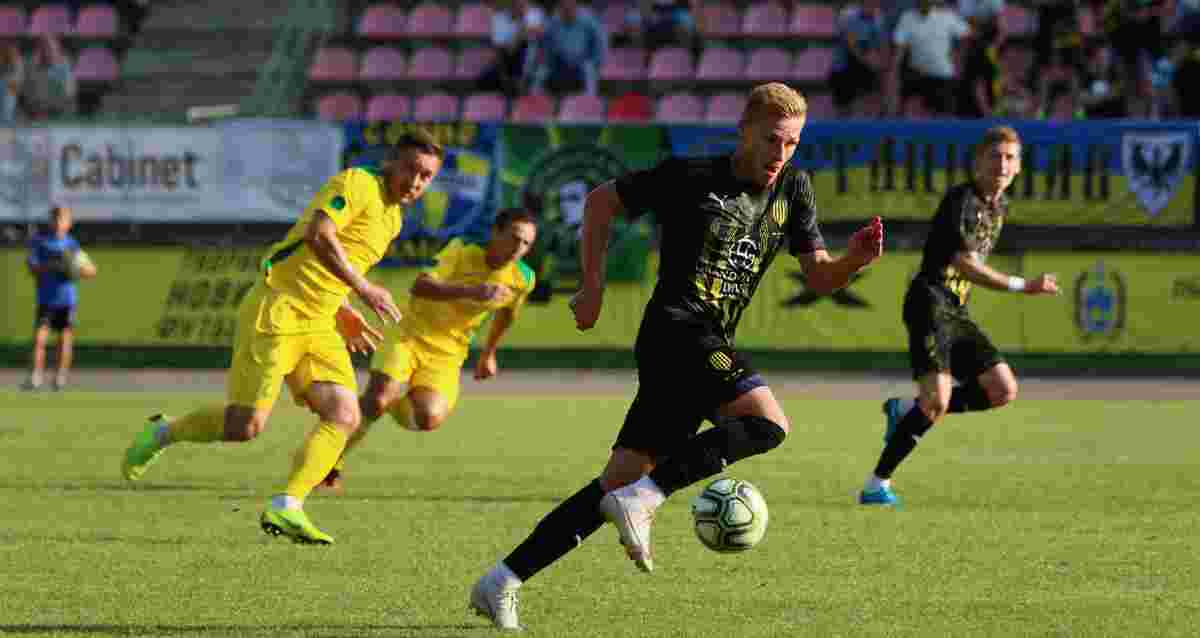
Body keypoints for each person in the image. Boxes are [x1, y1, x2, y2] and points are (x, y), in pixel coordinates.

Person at [468, 82, 884, 631]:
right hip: (677, 329)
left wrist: (854, 261)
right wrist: (591, 287)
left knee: (616, 481)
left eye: (792, 143)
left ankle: (502, 580)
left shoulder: (793, 189)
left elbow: (820, 276)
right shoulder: (691, 175)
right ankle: (648, 497)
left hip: (705, 342)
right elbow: (600, 202)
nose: (780, 154)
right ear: (744, 131)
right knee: (767, 423)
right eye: (771, 140)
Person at [120, 131, 445, 545]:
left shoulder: (393, 218)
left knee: (345, 415)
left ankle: (288, 504)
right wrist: (363, 289)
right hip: (278, 308)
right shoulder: (357, 183)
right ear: (391, 162)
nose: (416, 181)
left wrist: (343, 307)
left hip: (320, 322)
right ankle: (164, 432)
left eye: (426, 176)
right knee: (245, 426)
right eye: (410, 169)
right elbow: (319, 235)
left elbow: (333, 263)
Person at [858, 126, 1059, 508]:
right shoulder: (961, 200)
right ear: (978, 162)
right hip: (930, 303)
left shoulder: (998, 207)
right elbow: (964, 263)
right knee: (935, 402)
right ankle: (875, 485)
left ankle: (906, 409)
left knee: (1001, 389)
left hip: (957, 310)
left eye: (1010, 157)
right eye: (995, 156)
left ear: (1019, 167)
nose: (1002, 164)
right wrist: (1023, 285)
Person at [319, 208, 538, 489]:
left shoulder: (523, 278)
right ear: (496, 232)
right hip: (409, 335)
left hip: (448, 354)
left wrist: (489, 353)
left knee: (428, 417)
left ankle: (389, 401)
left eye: (526, 244)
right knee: (377, 398)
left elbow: (507, 314)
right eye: (514, 238)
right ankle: (328, 462)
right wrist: (472, 290)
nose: (518, 248)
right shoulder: (461, 249)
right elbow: (420, 286)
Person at [24, 205, 96, 391]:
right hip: (46, 300)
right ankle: (35, 377)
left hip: (66, 300)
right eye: (55, 219)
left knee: (64, 340)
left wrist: (74, 270)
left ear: (68, 223)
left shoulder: (72, 246)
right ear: (50, 221)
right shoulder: (40, 243)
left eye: (62, 219)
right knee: (39, 339)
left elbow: (91, 270)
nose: (58, 223)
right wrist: (51, 266)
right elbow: (31, 266)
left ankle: (60, 377)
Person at [893, 0, 972, 117]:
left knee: (944, 116)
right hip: (917, 75)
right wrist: (894, 71)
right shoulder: (907, 18)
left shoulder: (946, 16)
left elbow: (967, 35)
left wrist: (959, 58)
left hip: (944, 75)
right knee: (913, 112)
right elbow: (899, 47)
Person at [530, 0, 607, 96]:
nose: (567, 10)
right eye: (563, 8)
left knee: (589, 69)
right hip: (558, 61)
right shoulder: (553, 21)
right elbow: (544, 41)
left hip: (582, 61)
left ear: (576, 7)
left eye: (570, 7)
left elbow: (600, 43)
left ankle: (590, 99)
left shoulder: (589, 21)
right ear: (560, 9)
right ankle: (533, 98)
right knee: (541, 71)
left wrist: (596, 62)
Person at [21, 34, 76, 120]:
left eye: (51, 49)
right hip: (36, 111)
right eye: (43, 48)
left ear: (58, 49)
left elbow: (69, 93)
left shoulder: (65, 65)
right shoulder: (30, 65)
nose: (47, 52)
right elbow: (27, 93)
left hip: (59, 111)